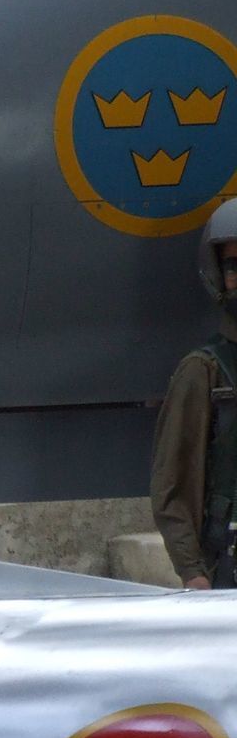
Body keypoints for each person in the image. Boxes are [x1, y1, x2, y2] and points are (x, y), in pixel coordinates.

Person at [153, 201, 237, 589]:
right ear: (219, 274)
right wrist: (193, 572)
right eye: (234, 266)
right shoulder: (203, 372)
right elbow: (173, 484)